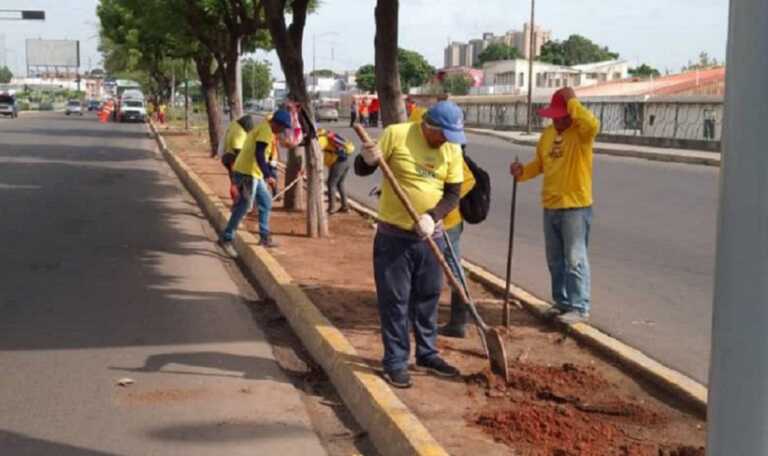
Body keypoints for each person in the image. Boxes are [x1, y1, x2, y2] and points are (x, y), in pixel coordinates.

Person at [355, 101, 466, 388]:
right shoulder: (397, 134)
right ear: (428, 126)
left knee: (428, 297)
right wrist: (367, 158)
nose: (446, 142)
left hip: (431, 237)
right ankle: (395, 360)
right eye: (443, 135)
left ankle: (427, 353)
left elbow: (454, 193)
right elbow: (362, 170)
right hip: (394, 237)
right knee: (395, 301)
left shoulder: (451, 149)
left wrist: (432, 216)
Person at [510, 87, 599, 324]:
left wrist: (573, 101)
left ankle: (579, 306)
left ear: (570, 114)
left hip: (575, 206)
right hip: (550, 204)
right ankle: (561, 302)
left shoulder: (582, 134)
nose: (557, 120)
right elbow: (539, 165)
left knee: (574, 257)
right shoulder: (547, 135)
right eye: (554, 116)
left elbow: (591, 122)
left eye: (562, 116)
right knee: (555, 259)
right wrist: (521, 172)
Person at [218, 110, 291, 254]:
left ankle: (264, 237)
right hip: (247, 173)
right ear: (276, 123)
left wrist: (265, 173)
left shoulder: (266, 128)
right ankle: (226, 238)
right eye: (283, 127)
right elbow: (259, 153)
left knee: (266, 202)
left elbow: (262, 154)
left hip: (253, 173)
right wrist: (268, 175)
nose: (283, 131)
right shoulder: (265, 130)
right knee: (243, 207)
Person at [437, 144, 476, 338]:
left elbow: (468, 180)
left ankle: (459, 321)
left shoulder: (449, 149)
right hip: (430, 221)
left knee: (453, 268)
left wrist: (442, 202)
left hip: (447, 222)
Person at [319, 128, 355, 214]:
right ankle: (345, 207)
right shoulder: (331, 136)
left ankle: (331, 208)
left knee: (331, 183)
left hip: (338, 162)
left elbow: (317, 148)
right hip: (346, 160)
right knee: (340, 183)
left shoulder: (322, 139)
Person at [219, 115, 255, 201]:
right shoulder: (239, 133)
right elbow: (238, 151)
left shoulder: (234, 124)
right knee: (238, 182)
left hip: (227, 155)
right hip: (233, 158)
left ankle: (237, 200)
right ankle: (238, 202)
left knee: (234, 181)